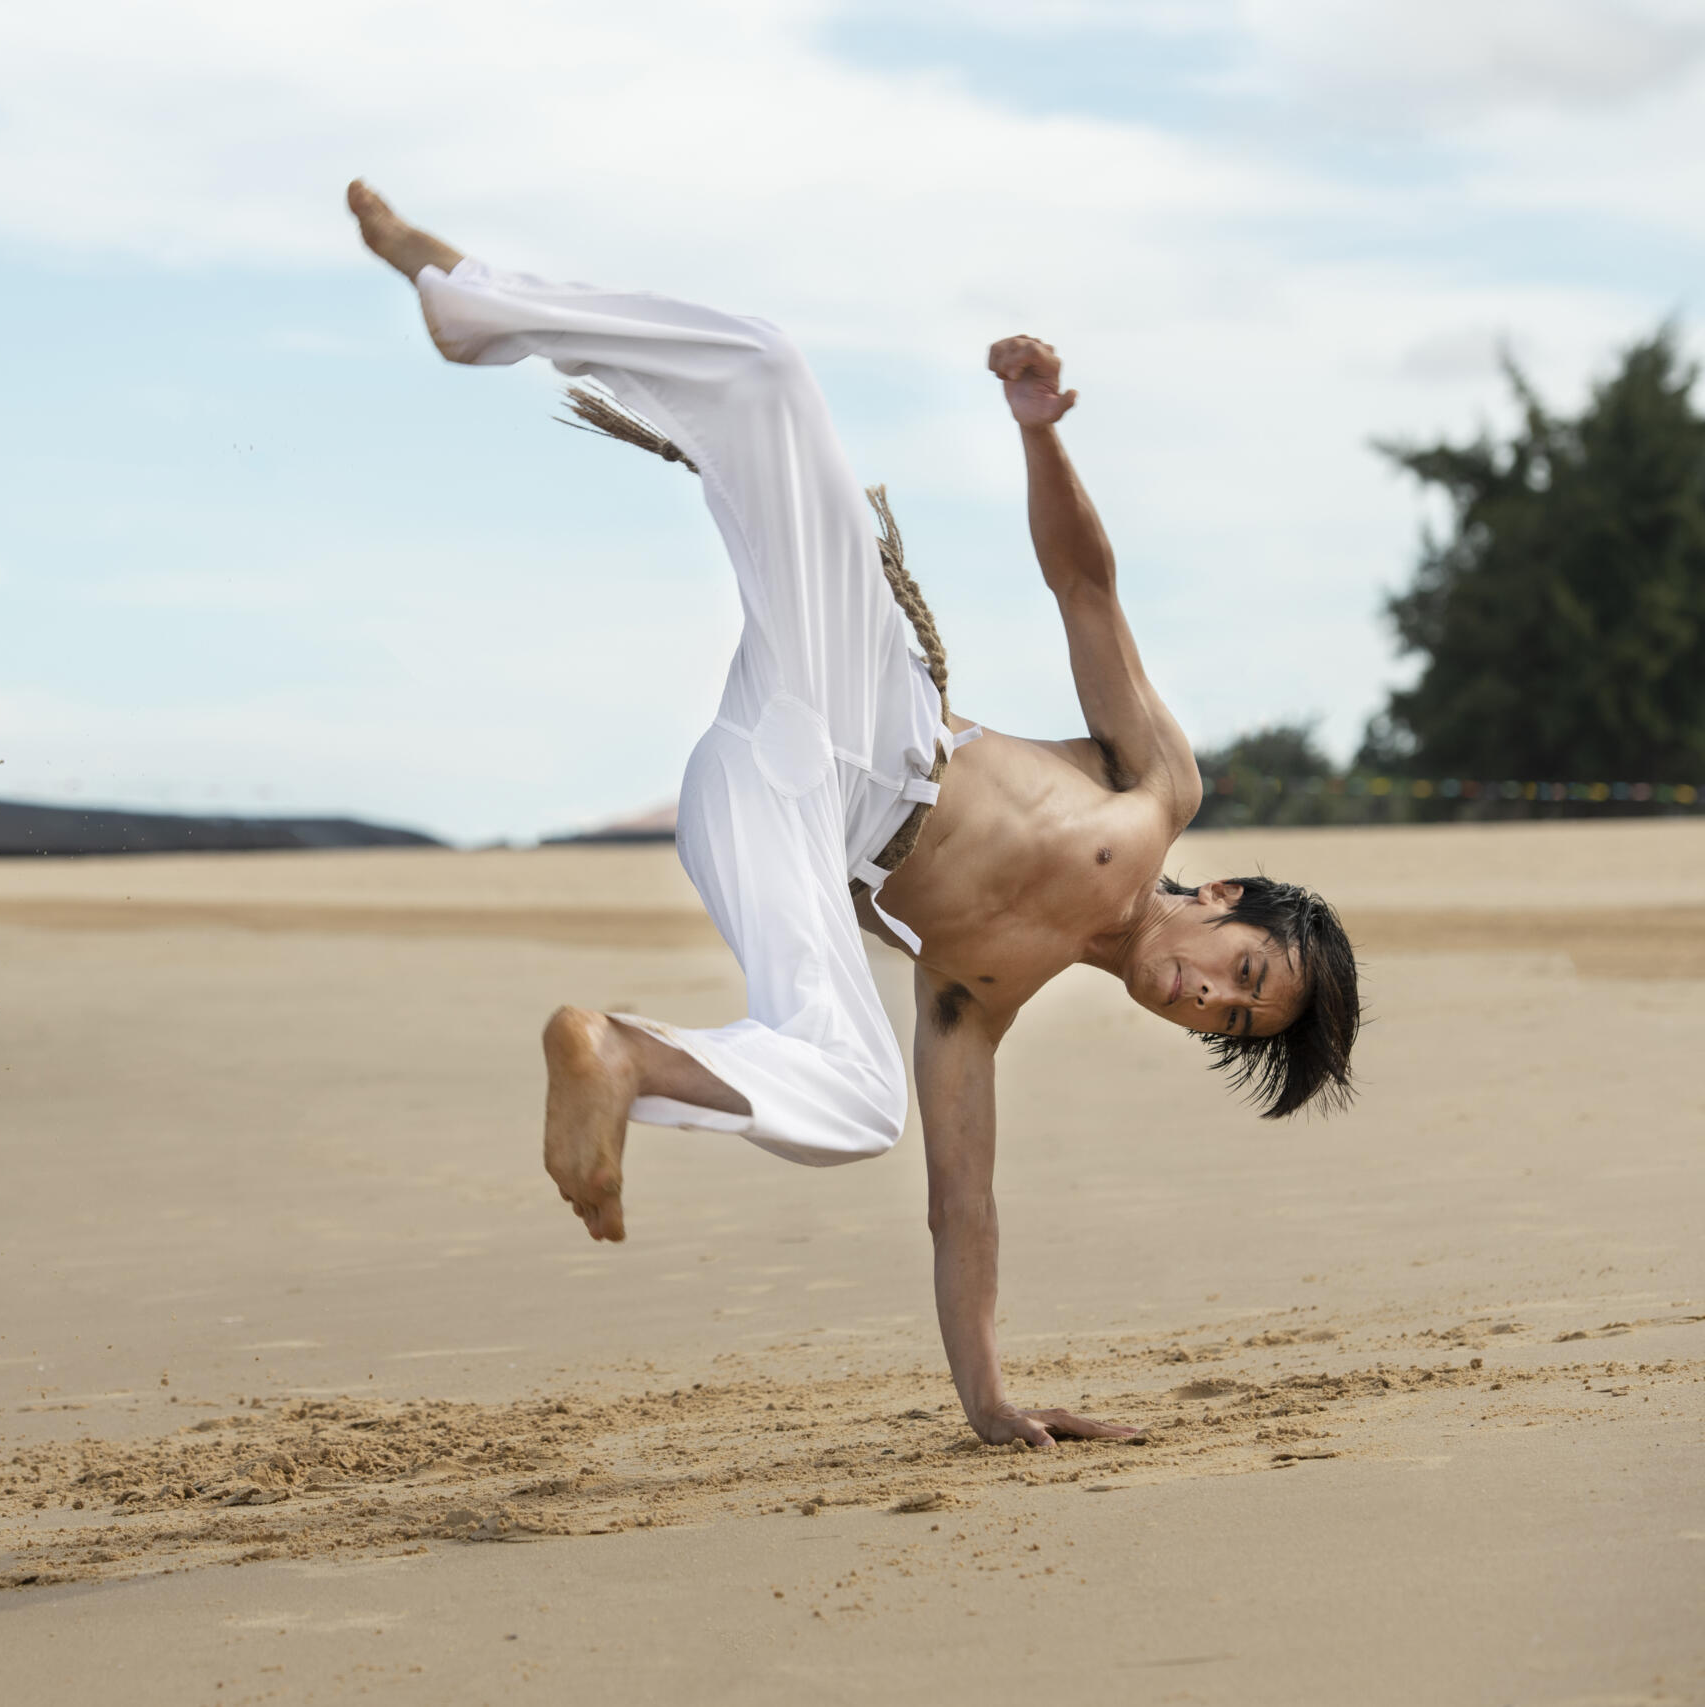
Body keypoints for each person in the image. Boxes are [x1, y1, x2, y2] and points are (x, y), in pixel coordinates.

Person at [347, 181, 1362, 1448]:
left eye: (1229, 1018)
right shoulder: (1152, 793)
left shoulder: (972, 1001)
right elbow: (1083, 588)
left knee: (862, 1108)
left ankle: (620, 1053)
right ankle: (467, 301)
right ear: (1224, 901)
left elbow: (963, 1208)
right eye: (1242, 972)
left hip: (777, 814)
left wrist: (988, 1403)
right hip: (867, 705)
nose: (1209, 999)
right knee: (769, 370)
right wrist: (1039, 429)